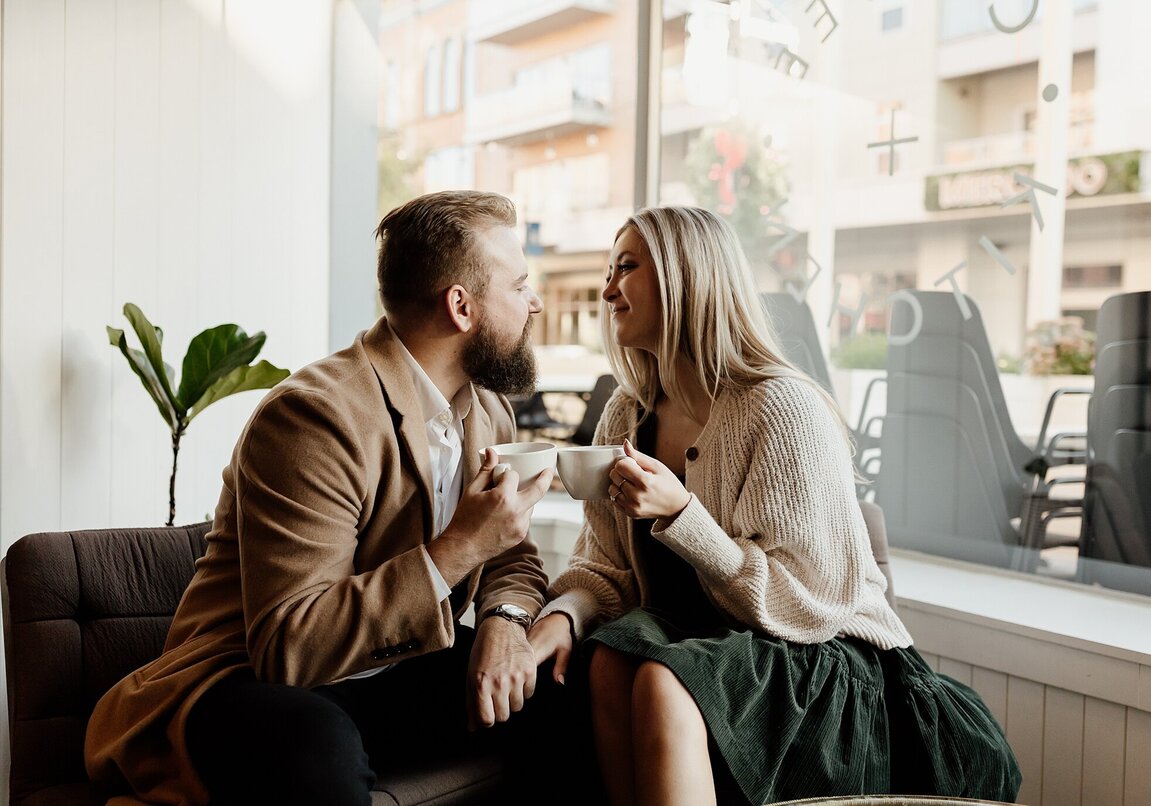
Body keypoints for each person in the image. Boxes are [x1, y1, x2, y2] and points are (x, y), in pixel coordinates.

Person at [527, 206, 1022, 806]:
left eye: (625, 269)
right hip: (703, 646)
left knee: (661, 679)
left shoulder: (783, 410)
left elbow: (808, 603)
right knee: (608, 661)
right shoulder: (626, 415)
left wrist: (683, 515)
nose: (607, 291)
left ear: (687, 278)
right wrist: (563, 615)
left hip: (822, 662)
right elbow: (606, 569)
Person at [85, 190, 559, 805]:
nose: (536, 302)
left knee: (561, 686)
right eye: (520, 286)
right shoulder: (314, 416)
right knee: (317, 753)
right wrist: (457, 548)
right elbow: (289, 647)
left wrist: (505, 624)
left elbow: (509, 553)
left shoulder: (486, 409)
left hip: (393, 666)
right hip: (248, 678)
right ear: (461, 306)